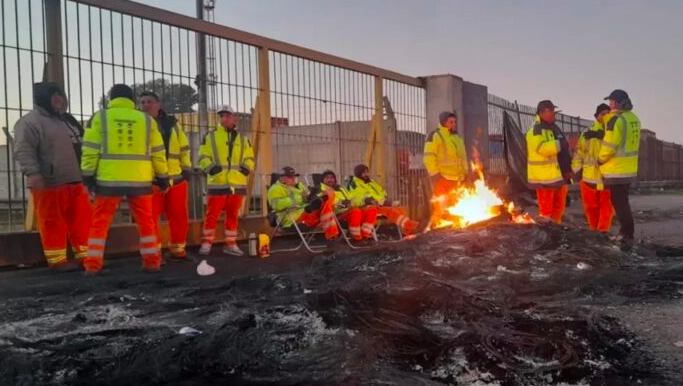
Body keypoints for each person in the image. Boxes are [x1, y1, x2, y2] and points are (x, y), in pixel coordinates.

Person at [81, 84, 169, 274]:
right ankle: (152, 262)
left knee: (100, 223)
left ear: (111, 98)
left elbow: (89, 150)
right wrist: (163, 177)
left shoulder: (100, 117)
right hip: (140, 181)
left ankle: (93, 265)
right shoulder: (146, 121)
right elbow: (158, 153)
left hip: (108, 181)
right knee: (146, 221)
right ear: (132, 100)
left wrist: (88, 177)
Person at [13, 82, 91, 270]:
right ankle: (57, 262)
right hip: (50, 182)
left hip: (76, 180)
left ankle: (87, 257)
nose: (58, 99)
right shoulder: (30, 122)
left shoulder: (68, 120)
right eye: (52, 95)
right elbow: (24, 149)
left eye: (60, 95)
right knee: (52, 222)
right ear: (42, 98)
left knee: (82, 221)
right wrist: (33, 173)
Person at [139, 91, 192, 260]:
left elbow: (184, 147)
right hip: (151, 180)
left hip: (175, 178)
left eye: (149, 102)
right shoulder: (139, 124)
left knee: (179, 216)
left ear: (158, 104)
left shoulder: (172, 124)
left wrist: (187, 168)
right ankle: (154, 254)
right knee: (150, 219)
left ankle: (178, 249)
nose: (145, 105)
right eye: (142, 102)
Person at [197, 105, 255, 256]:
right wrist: (210, 167)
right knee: (212, 215)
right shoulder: (210, 136)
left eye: (227, 115)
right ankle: (206, 243)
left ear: (234, 117)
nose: (224, 118)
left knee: (232, 215)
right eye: (221, 116)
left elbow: (250, 158)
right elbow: (202, 156)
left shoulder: (243, 139)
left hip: (237, 183)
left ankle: (231, 244)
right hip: (217, 183)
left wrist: (247, 168)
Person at [599, 89, 641, 243]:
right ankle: (628, 231)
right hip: (628, 169)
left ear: (616, 102)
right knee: (623, 201)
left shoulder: (615, 120)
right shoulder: (634, 118)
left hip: (616, 170)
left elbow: (609, 146)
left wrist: (599, 159)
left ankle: (627, 234)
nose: (609, 105)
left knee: (620, 203)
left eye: (610, 101)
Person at [526, 100, 572, 224]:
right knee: (546, 211)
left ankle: (555, 231)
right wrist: (562, 143)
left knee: (559, 207)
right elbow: (542, 149)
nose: (554, 114)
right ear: (542, 112)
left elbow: (564, 152)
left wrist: (568, 170)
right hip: (545, 180)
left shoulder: (554, 128)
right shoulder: (536, 131)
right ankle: (546, 234)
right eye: (551, 111)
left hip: (559, 177)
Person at [572, 103, 614, 232]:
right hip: (589, 178)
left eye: (608, 113)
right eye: (602, 114)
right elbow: (579, 153)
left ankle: (602, 233)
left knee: (606, 209)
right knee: (591, 208)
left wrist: (602, 136)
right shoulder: (587, 133)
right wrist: (576, 169)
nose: (606, 116)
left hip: (608, 178)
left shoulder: (614, 132)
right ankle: (593, 231)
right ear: (596, 117)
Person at [267, 166, 339, 241]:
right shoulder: (275, 189)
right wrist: (300, 197)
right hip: (293, 218)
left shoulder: (300, 186)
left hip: (306, 212)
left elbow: (307, 196)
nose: (294, 178)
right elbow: (277, 205)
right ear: (282, 178)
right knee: (325, 204)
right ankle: (332, 238)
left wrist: (311, 195)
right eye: (290, 177)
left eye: (294, 176)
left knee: (326, 197)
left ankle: (316, 205)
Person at [347, 164, 420, 236]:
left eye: (367, 172)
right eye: (364, 172)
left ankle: (408, 230)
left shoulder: (371, 182)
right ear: (359, 173)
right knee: (390, 211)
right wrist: (376, 201)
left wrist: (385, 201)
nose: (367, 174)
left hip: (380, 204)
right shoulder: (355, 184)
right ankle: (410, 225)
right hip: (368, 207)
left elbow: (382, 192)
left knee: (399, 209)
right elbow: (359, 197)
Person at [423, 111, 468, 226]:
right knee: (441, 210)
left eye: (455, 122)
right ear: (443, 122)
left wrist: (466, 173)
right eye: (451, 122)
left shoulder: (457, 137)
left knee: (456, 210)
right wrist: (435, 175)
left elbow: (463, 157)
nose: (454, 124)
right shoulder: (435, 136)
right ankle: (437, 234)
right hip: (443, 180)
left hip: (458, 180)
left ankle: (456, 233)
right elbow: (428, 157)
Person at [319, 170, 376, 241]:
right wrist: (345, 204)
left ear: (335, 180)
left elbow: (351, 199)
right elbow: (329, 204)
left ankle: (365, 236)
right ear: (322, 180)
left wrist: (364, 202)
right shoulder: (321, 190)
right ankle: (356, 238)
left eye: (331, 177)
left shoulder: (340, 189)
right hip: (337, 216)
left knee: (372, 209)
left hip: (348, 211)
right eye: (327, 178)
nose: (329, 179)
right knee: (356, 212)